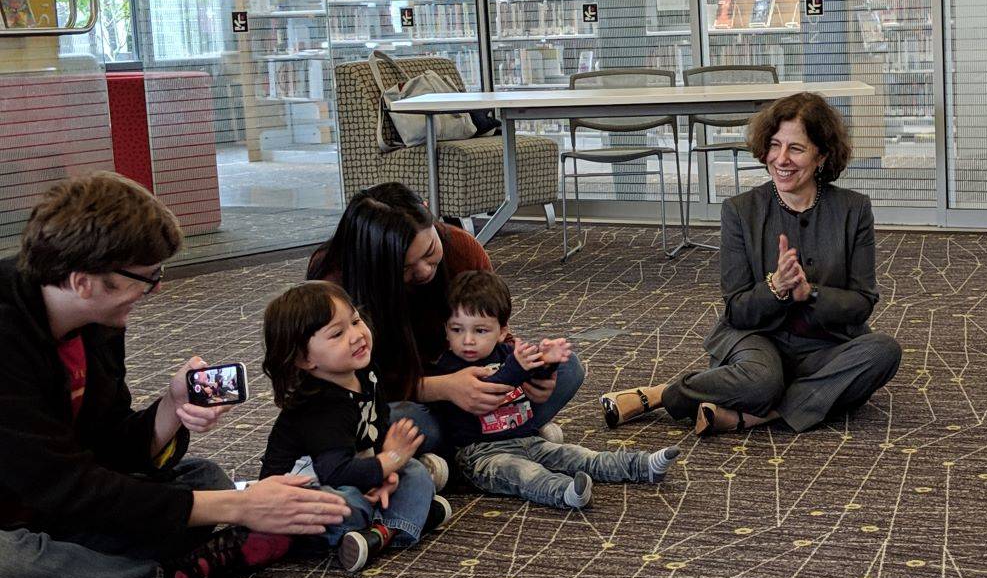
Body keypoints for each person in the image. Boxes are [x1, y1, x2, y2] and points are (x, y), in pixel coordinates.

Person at [0, 174, 350, 578]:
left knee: (201, 478)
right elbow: (66, 486)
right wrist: (240, 507)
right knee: (11, 563)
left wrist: (170, 408)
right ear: (84, 281)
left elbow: (106, 449)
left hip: (49, 510)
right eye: (147, 277)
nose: (156, 289)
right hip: (24, 512)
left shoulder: (95, 320)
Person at [600, 91, 902, 437]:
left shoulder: (854, 209)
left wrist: (809, 294)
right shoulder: (741, 210)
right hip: (755, 338)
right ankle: (665, 395)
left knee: (883, 352)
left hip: (825, 344)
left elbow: (862, 302)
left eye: (796, 148)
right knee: (762, 379)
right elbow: (738, 310)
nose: (781, 159)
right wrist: (776, 288)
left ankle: (763, 413)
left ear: (822, 154)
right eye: (775, 146)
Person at [308, 182, 583, 453]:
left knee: (567, 367)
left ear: (429, 213)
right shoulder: (335, 277)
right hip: (408, 398)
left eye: (429, 252)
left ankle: (485, 446)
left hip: (480, 385)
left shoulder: (460, 247)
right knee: (402, 421)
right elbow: (342, 381)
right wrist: (442, 387)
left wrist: (531, 375)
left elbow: (496, 328)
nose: (425, 270)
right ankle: (509, 441)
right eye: (404, 268)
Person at [427, 271, 680, 509]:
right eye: (457, 329)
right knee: (526, 475)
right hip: (479, 455)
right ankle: (566, 493)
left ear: (502, 331)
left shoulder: (507, 353)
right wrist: (519, 365)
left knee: (579, 456)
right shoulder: (449, 366)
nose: (468, 340)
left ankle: (641, 465)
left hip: (526, 438)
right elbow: (494, 388)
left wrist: (549, 363)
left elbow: (534, 377)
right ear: (446, 330)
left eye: (480, 330)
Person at [260, 282, 451, 573]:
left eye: (355, 320)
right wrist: (388, 462)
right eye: (337, 333)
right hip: (307, 491)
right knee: (343, 503)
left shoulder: (365, 370)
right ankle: (400, 522)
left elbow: (378, 419)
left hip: (352, 469)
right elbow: (333, 472)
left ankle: (379, 534)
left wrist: (386, 469)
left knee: (413, 470)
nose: (356, 336)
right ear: (304, 358)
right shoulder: (320, 406)